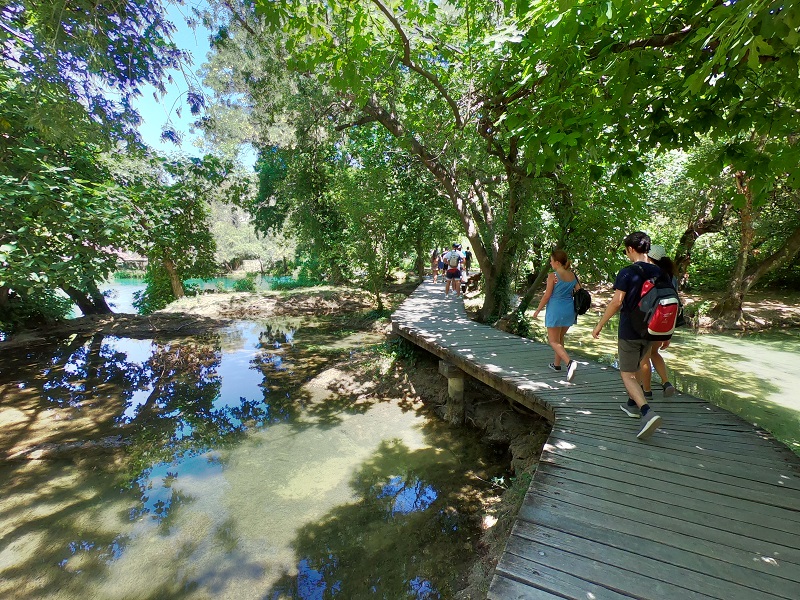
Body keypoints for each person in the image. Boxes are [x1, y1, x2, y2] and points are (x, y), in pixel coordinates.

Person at [592, 232, 664, 440]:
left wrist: (599, 325)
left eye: (625, 250)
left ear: (631, 249)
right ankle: (632, 404)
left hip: (630, 330)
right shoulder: (659, 272)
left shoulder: (627, 272)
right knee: (640, 363)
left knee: (627, 374)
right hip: (651, 330)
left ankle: (646, 411)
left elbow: (616, 302)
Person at [532, 250, 579, 382]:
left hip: (555, 310)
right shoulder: (572, 275)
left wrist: (537, 310)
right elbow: (578, 290)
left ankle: (570, 363)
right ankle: (556, 365)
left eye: (551, 261)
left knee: (553, 341)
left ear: (557, 262)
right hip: (569, 310)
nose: (550, 263)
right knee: (559, 338)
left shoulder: (553, 276)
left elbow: (547, 295)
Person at [640, 244, 677, 399]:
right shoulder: (671, 277)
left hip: (649, 321)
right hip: (665, 323)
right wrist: (668, 334)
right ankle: (666, 382)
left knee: (644, 356)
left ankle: (646, 391)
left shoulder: (649, 275)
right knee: (654, 352)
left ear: (649, 258)